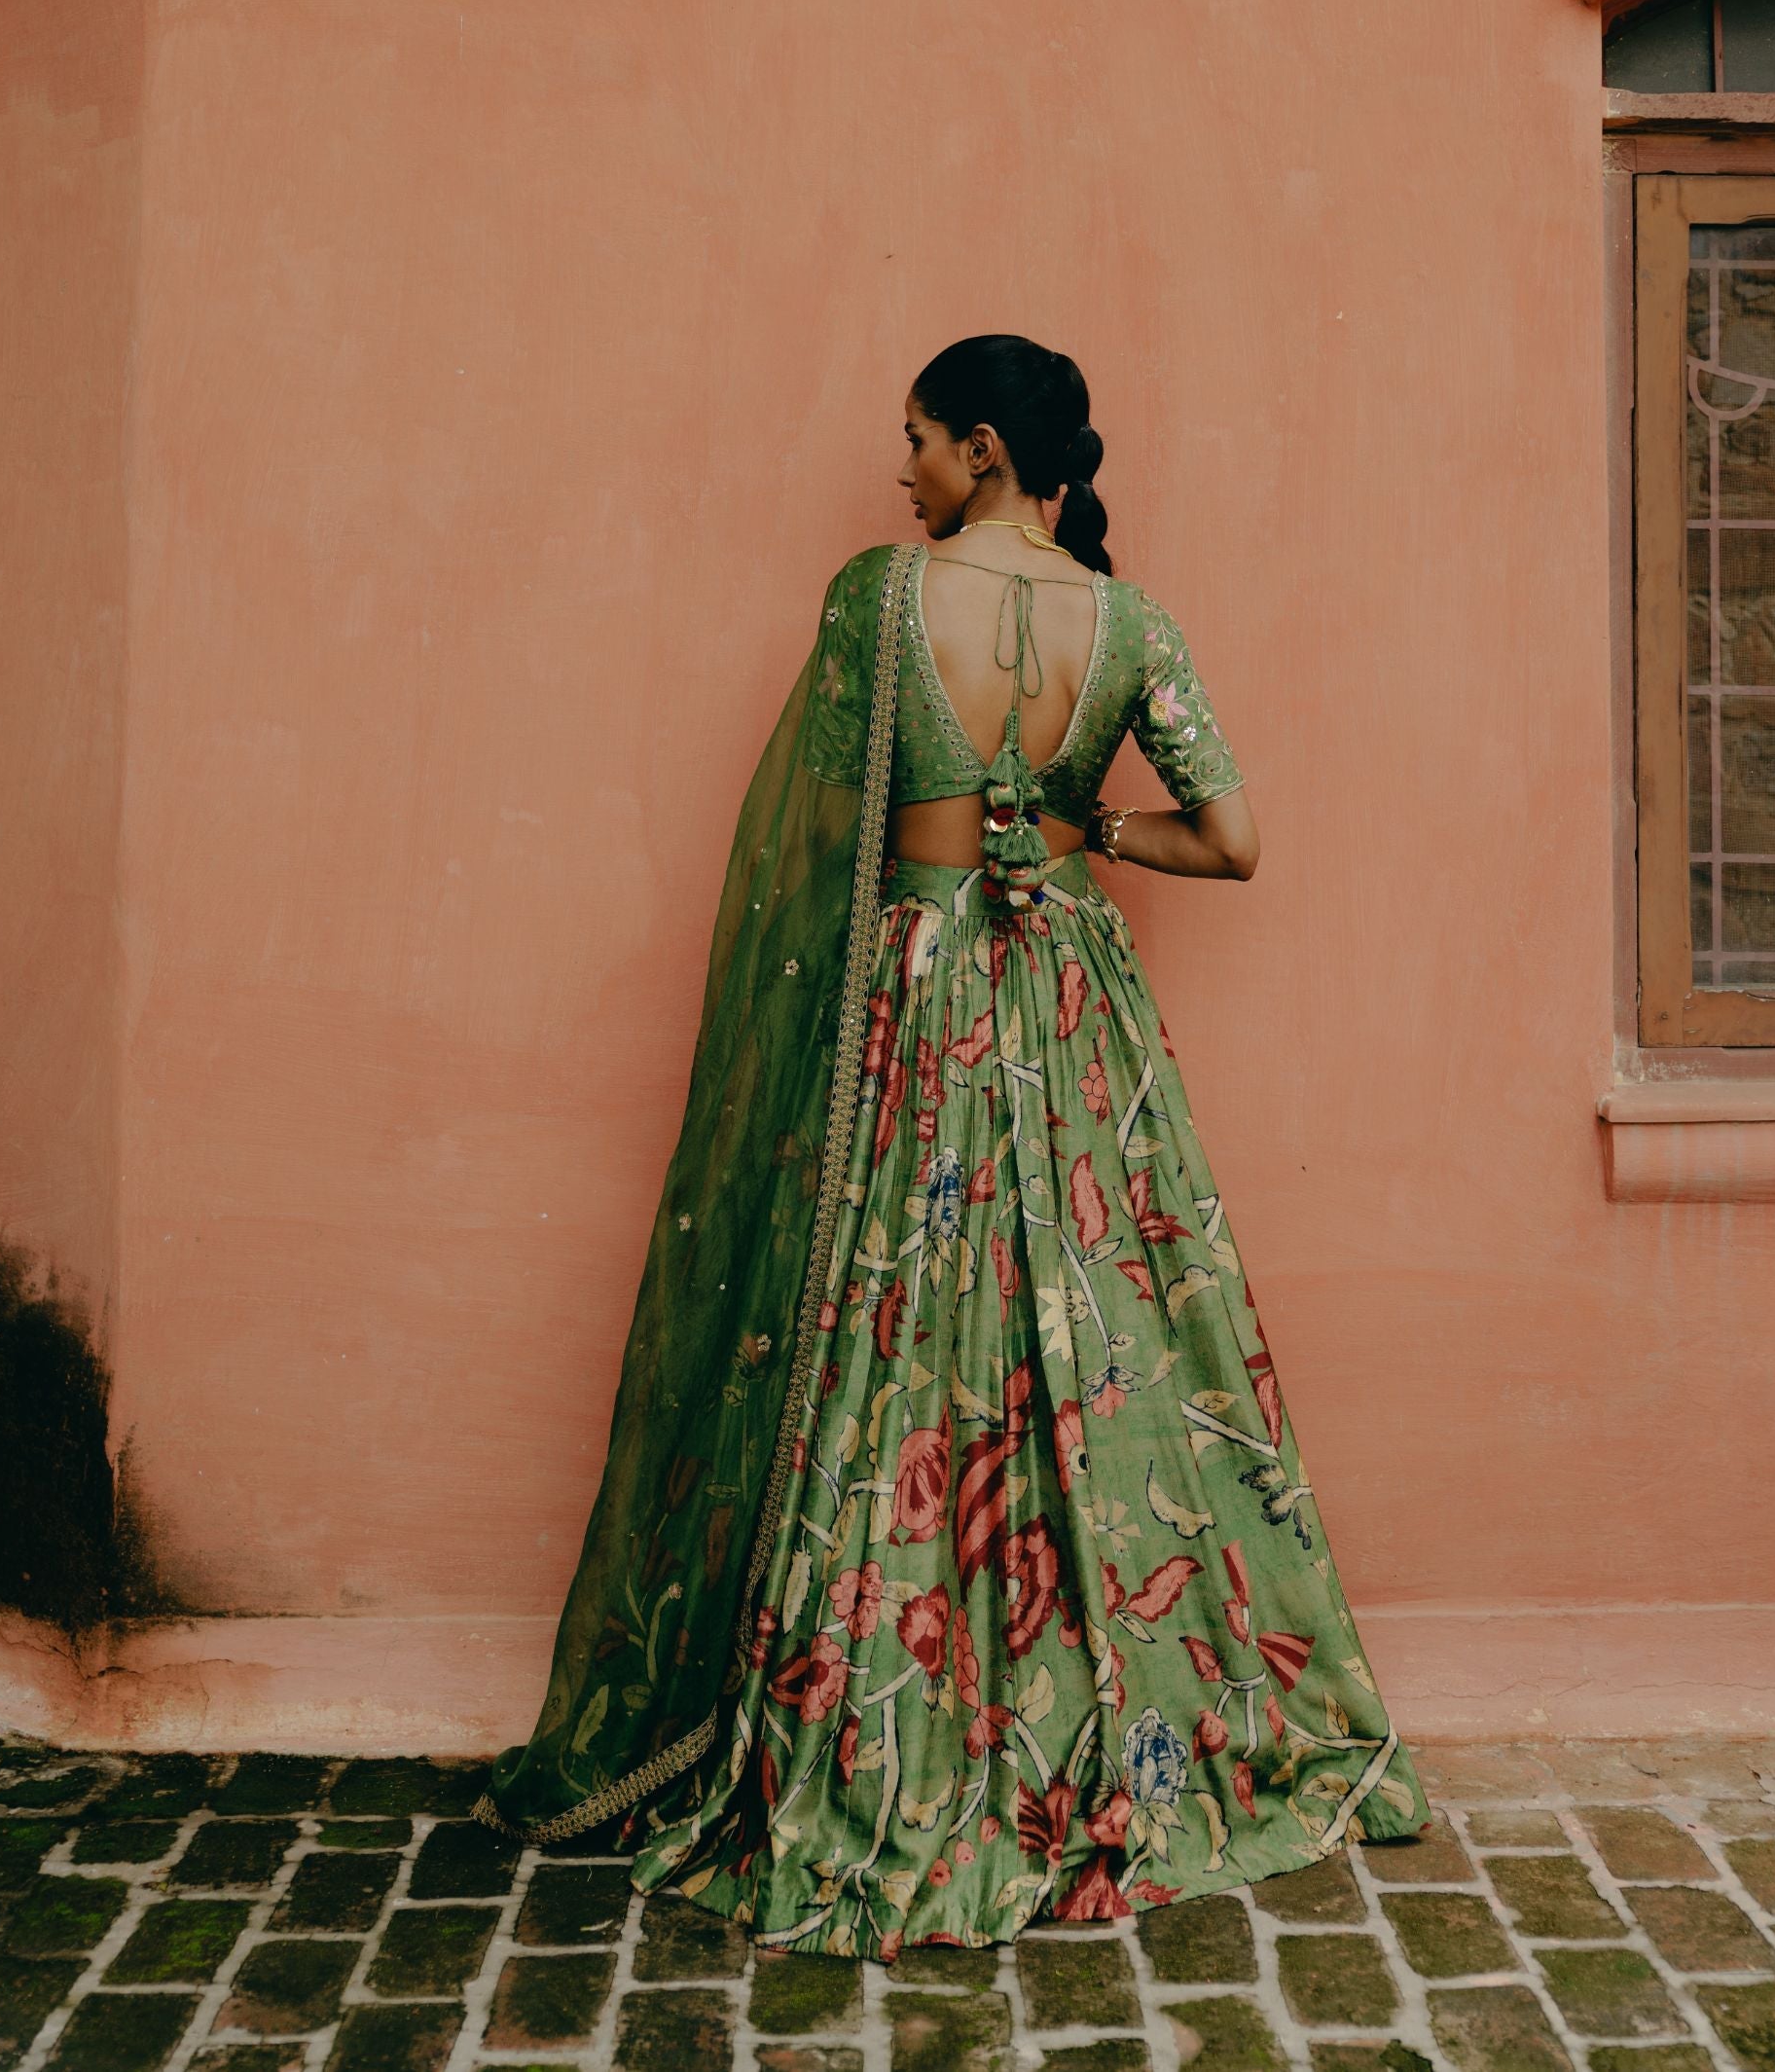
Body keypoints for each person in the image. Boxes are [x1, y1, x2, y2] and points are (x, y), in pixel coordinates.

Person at [475, 334, 1430, 1953]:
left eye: (914, 439)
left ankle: (886, 1721)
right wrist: (1074, 832)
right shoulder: (1132, 625)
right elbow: (1237, 841)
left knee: (895, 1327)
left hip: (913, 1001)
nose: (896, 469)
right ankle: (1116, 1709)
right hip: (1069, 998)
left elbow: (814, 841)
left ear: (983, 447)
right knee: (1099, 1320)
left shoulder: (876, 600)